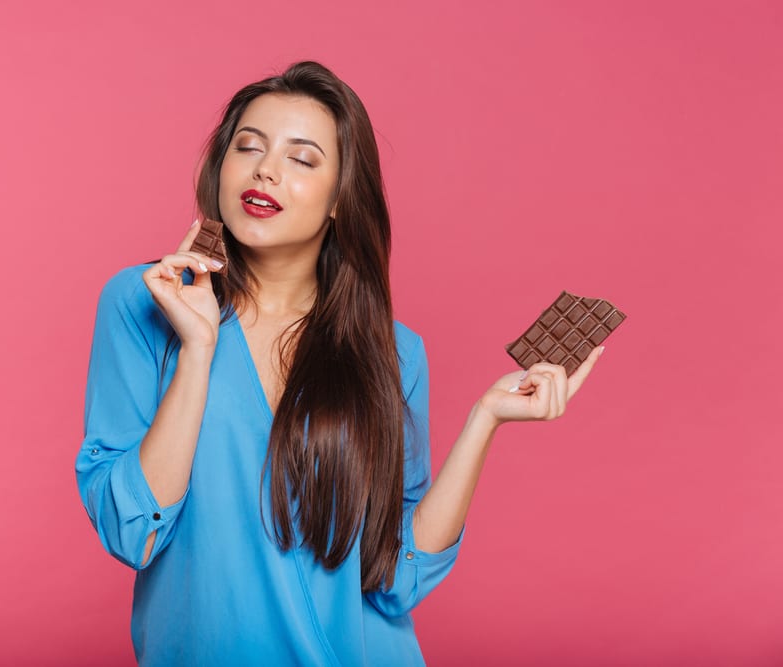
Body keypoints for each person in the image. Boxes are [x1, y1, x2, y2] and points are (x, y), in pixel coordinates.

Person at [75, 60, 604, 666]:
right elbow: (132, 532)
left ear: (337, 201)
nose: (266, 169)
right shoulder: (144, 303)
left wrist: (486, 419)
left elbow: (397, 574)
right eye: (248, 147)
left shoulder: (393, 352)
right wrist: (198, 347)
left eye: (302, 159)